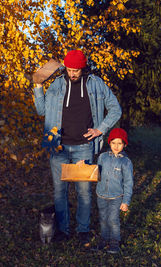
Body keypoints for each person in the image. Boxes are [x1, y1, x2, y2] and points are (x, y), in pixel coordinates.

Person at [33, 50, 122, 246]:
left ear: (83, 68)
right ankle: (63, 230)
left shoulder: (96, 84)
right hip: (59, 147)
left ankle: (83, 230)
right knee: (59, 192)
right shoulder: (56, 84)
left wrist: (100, 129)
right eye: (70, 70)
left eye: (76, 70)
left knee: (84, 192)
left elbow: (116, 109)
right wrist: (38, 86)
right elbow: (41, 110)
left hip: (84, 147)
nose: (72, 74)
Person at [91, 128, 133, 254]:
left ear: (124, 144)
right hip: (101, 195)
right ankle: (103, 239)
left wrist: (126, 201)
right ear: (109, 143)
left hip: (116, 197)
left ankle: (114, 242)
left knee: (113, 220)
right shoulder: (103, 157)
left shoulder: (126, 162)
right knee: (103, 218)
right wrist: (84, 165)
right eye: (113, 142)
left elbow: (128, 182)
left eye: (119, 143)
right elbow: (95, 171)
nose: (116, 146)